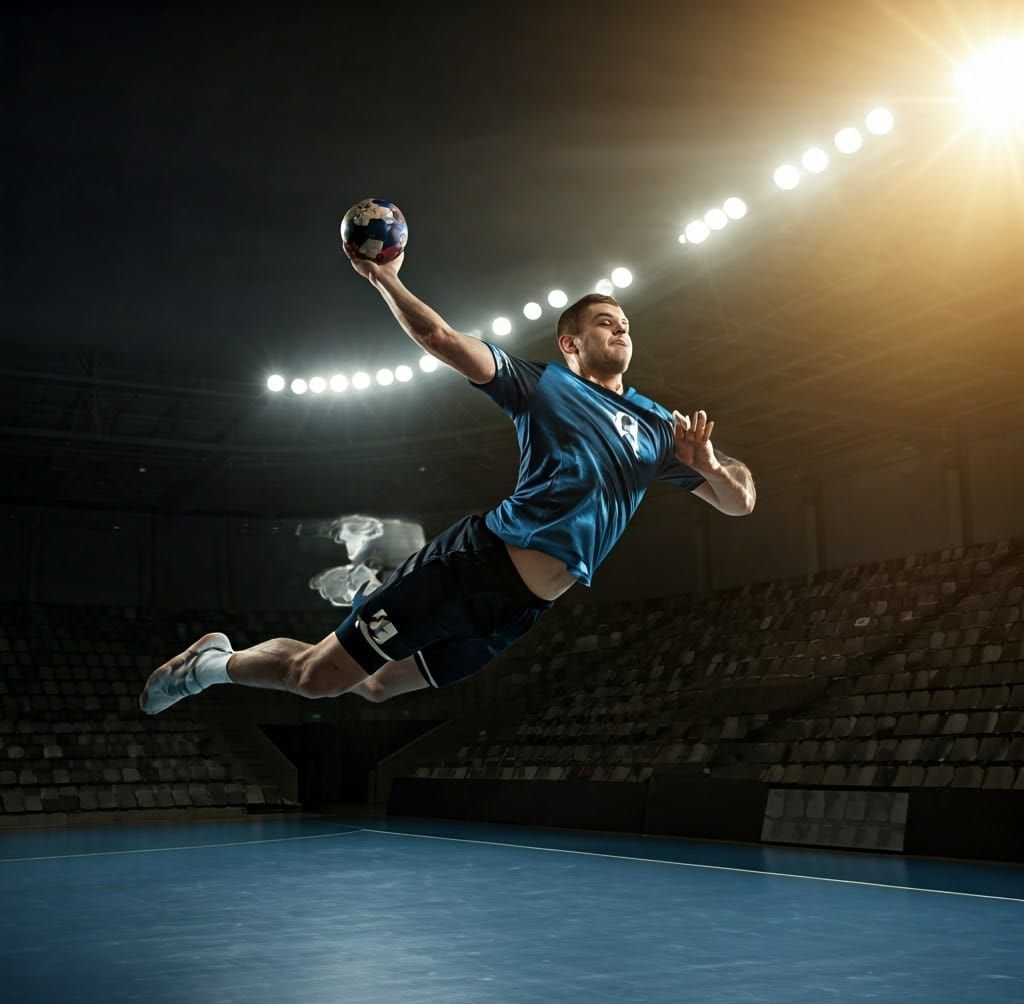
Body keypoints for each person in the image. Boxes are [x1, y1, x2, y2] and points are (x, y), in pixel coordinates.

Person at [140, 249, 756, 715]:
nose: (620, 329)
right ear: (571, 342)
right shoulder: (544, 385)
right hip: (469, 570)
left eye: (624, 322)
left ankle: (245, 653)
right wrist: (384, 275)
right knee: (315, 679)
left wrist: (710, 468)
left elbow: (740, 502)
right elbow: (440, 338)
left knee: (378, 688)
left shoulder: (657, 428)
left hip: (520, 610)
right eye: (603, 322)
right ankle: (210, 666)